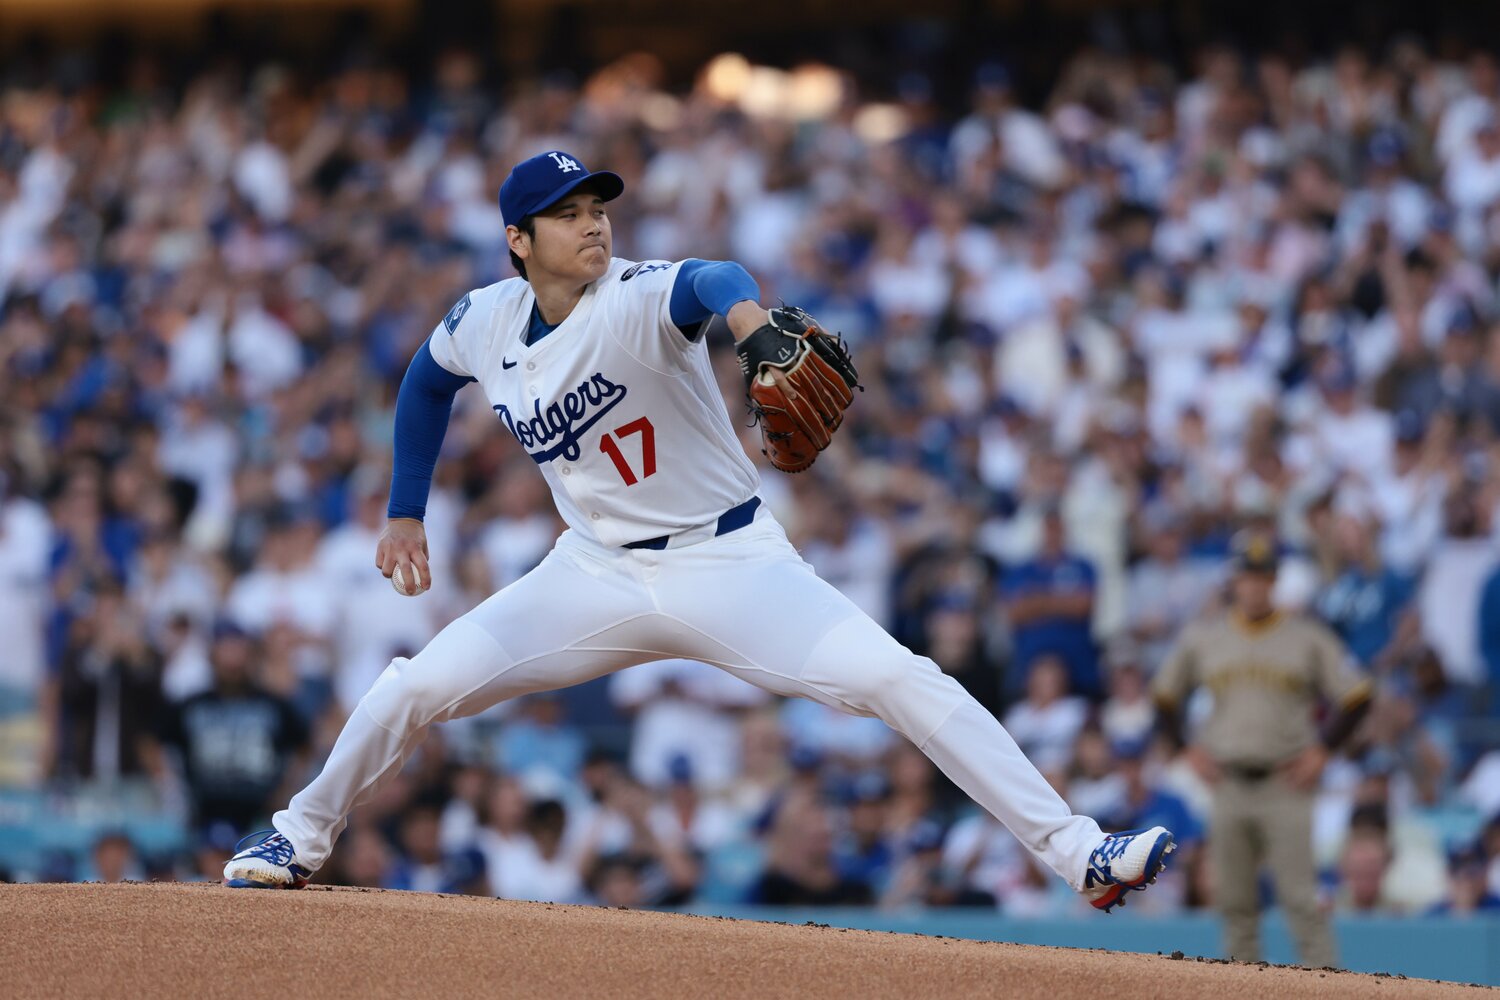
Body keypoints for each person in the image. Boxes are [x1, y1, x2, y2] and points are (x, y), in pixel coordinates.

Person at [223, 150, 1174, 912]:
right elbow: (427, 382)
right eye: (567, 213)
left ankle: (1081, 850)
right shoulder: (485, 320)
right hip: (589, 574)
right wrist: (404, 508)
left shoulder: (635, 295)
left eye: (598, 205)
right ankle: (296, 837)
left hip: (728, 561)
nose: (593, 221)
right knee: (414, 684)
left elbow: (711, 277)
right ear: (518, 240)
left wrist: (753, 323)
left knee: (899, 677)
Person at [1152, 531, 1373, 968]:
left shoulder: (1305, 636)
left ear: (1274, 580)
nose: (1254, 585)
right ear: (1235, 581)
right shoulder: (1206, 637)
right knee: (1234, 903)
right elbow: (1163, 696)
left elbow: (1358, 695)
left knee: (1302, 902)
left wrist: (1323, 750)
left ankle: (1325, 990)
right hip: (1229, 781)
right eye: (1247, 576)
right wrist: (1184, 750)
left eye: (1263, 575)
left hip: (1285, 780)